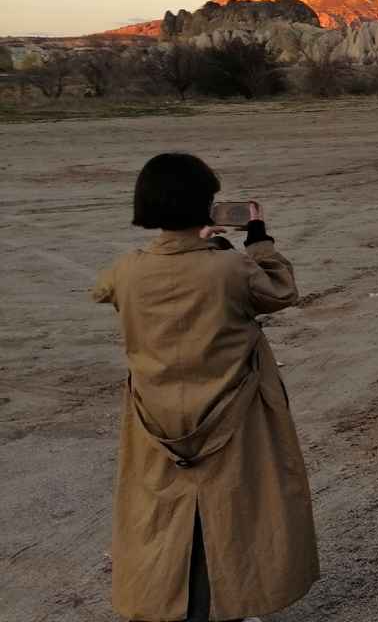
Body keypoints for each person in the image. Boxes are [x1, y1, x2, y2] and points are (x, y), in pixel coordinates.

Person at [91, 153, 319, 621]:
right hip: (234, 416)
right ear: (204, 208)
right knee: (235, 508)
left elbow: (106, 289)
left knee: (163, 515)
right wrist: (257, 240)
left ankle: (167, 605)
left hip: (154, 419)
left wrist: (193, 248)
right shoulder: (230, 269)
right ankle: (229, 604)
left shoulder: (127, 270)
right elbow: (281, 290)